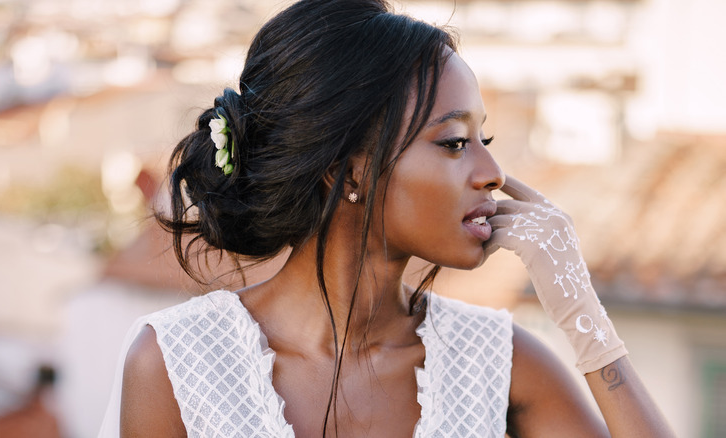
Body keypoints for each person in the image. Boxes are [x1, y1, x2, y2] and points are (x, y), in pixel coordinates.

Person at [99, 0, 675, 436]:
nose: (493, 172)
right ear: (349, 170)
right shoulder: (177, 364)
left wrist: (583, 314)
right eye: (453, 143)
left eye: (486, 138)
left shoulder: (503, 366)